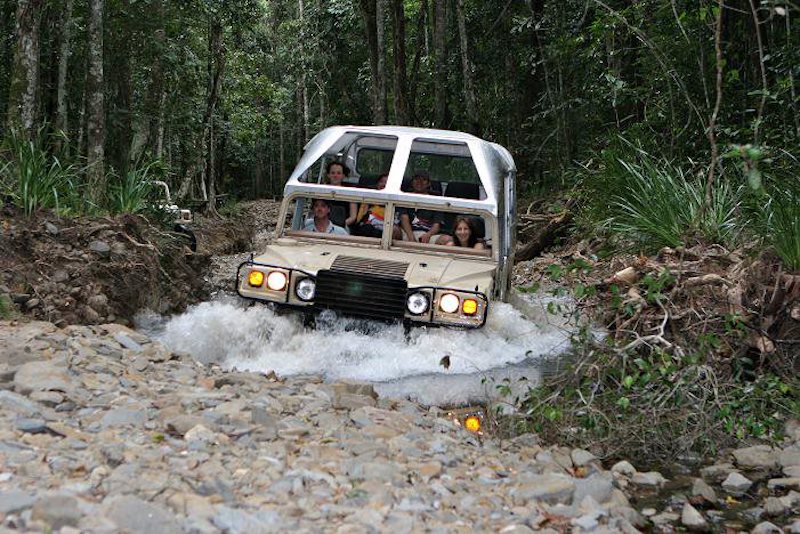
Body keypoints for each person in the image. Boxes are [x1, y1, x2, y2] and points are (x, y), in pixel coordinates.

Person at [398, 170, 450, 244]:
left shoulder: (435, 200)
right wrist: (411, 238)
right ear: (412, 182)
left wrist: (428, 235)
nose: (419, 182)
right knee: (392, 230)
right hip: (406, 232)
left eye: (424, 179)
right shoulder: (405, 197)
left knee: (447, 239)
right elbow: (404, 218)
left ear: (429, 183)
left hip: (427, 234)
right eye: (416, 179)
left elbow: (437, 224)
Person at [351, 173, 402, 239]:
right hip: (371, 228)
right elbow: (361, 219)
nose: (383, 184)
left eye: (387, 183)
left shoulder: (397, 202)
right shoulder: (368, 199)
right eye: (381, 182)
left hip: (388, 229)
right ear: (377, 184)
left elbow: (397, 221)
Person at [324, 161, 357, 227]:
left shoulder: (351, 192)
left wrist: (338, 226)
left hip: (343, 227)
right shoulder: (321, 190)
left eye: (339, 173)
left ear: (343, 176)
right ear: (328, 175)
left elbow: (353, 217)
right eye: (333, 173)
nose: (335, 175)